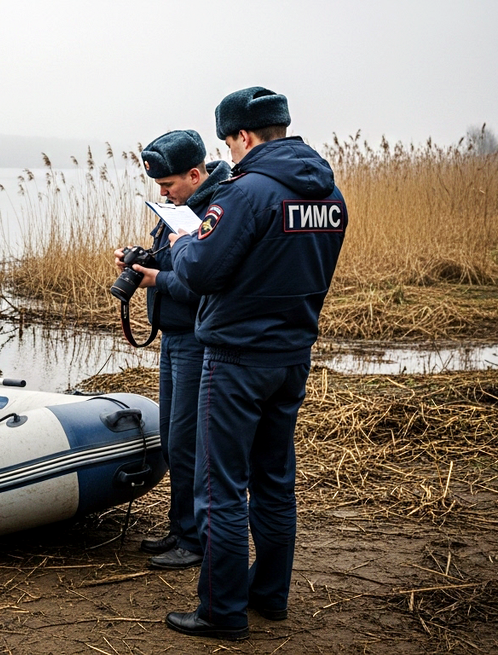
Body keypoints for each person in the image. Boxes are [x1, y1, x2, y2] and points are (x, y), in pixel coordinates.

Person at [163, 87, 348, 640]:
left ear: (243, 136)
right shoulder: (329, 193)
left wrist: (184, 240)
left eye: (228, 143)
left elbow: (200, 270)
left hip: (235, 359)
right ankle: (269, 594)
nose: (230, 153)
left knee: (221, 487)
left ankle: (221, 611)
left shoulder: (246, 192)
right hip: (292, 355)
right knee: (274, 481)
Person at [116, 130, 230, 571]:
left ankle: (195, 540)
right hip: (174, 337)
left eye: (168, 185)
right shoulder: (181, 208)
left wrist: (156, 280)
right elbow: (175, 260)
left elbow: (206, 283)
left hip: (197, 340)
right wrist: (143, 260)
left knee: (188, 442)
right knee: (173, 439)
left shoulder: (218, 210)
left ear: (195, 175)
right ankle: (181, 528)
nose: (163, 193)